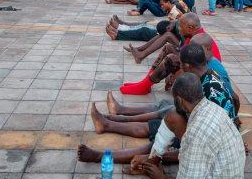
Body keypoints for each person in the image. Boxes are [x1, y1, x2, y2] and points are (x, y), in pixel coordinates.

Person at [83, 42, 237, 161]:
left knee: (158, 133)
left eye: (181, 64)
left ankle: (100, 154)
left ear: (188, 66)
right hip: (216, 131)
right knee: (165, 112)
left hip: (211, 141)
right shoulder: (212, 74)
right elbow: (234, 98)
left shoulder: (207, 88)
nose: (180, 67)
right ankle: (112, 120)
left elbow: (205, 132)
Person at [130, 71, 245, 179]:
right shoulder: (209, 106)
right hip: (225, 176)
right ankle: (154, 159)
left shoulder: (198, 132)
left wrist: (162, 178)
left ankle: (156, 166)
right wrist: (154, 157)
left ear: (179, 99)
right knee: (172, 116)